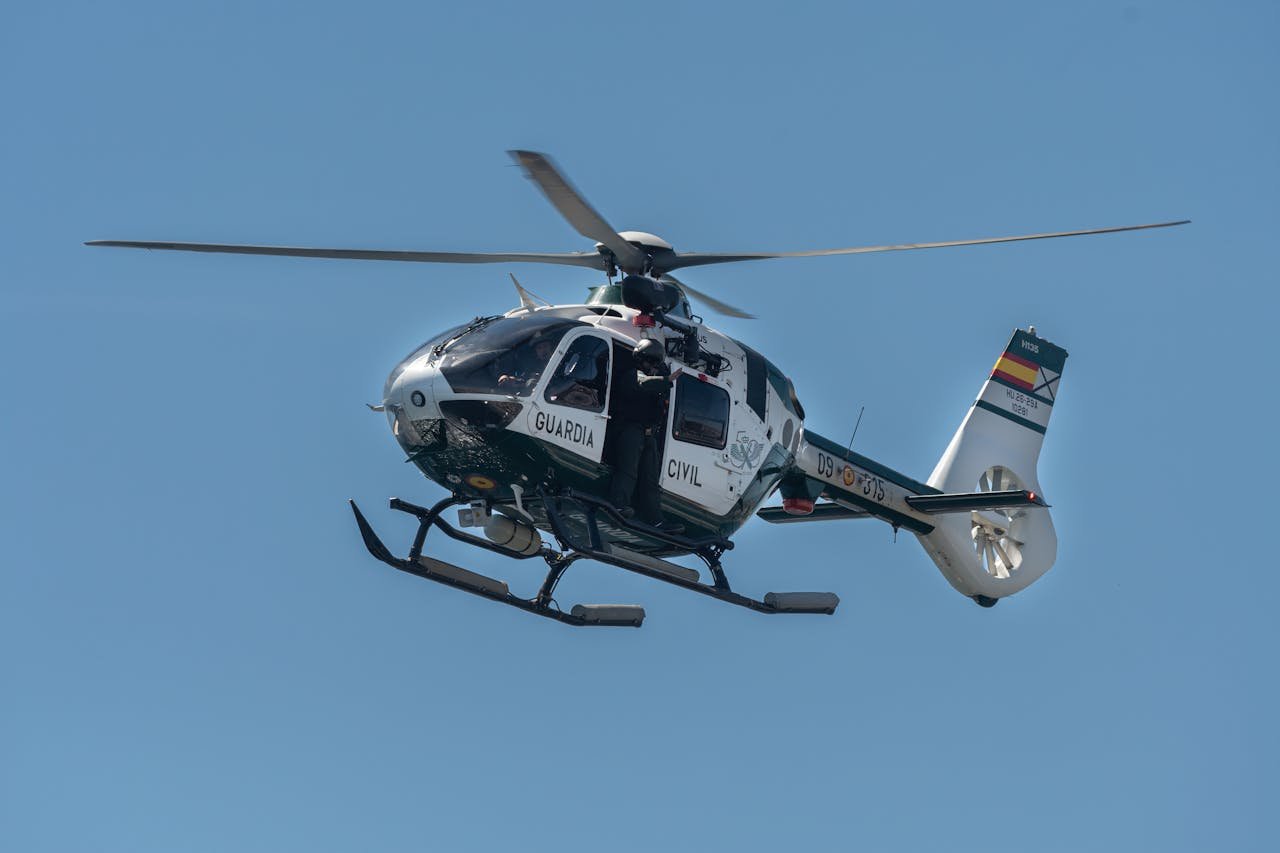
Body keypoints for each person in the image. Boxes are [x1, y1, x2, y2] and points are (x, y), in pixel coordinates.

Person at [609, 338, 683, 533]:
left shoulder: (655, 384)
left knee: (650, 479)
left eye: (656, 364)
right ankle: (618, 505)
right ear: (641, 360)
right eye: (651, 363)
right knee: (628, 470)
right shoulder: (632, 376)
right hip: (630, 430)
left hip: (649, 434)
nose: (653, 368)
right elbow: (642, 383)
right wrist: (666, 380)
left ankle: (656, 520)